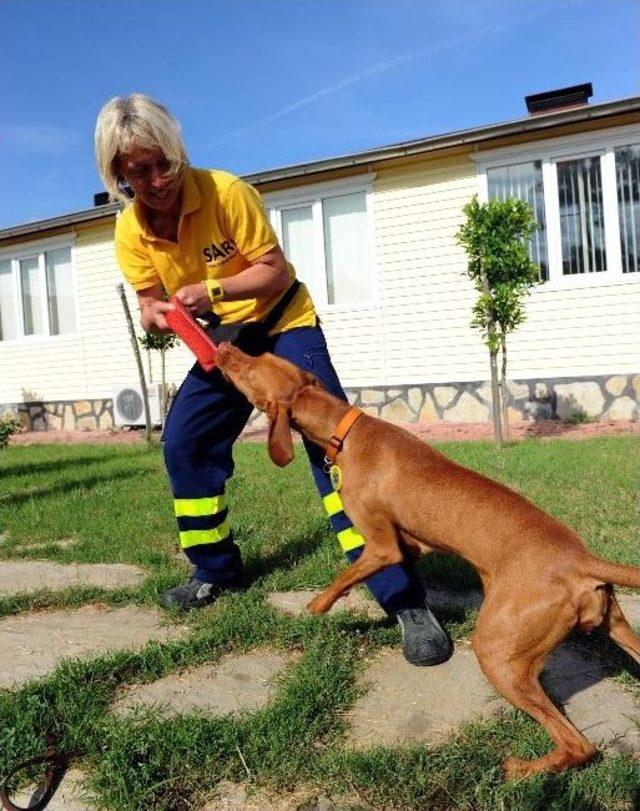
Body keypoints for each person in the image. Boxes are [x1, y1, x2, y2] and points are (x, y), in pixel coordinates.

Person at [94, 93, 452, 667]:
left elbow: (274, 271)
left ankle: (404, 598)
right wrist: (157, 314)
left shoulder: (226, 192)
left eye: (165, 163)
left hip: (283, 322)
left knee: (335, 448)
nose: (158, 179)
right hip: (223, 343)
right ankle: (215, 569)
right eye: (141, 171)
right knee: (184, 443)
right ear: (118, 173)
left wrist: (208, 292)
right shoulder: (129, 233)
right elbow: (148, 301)